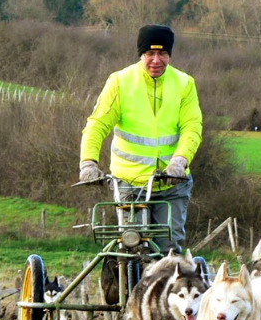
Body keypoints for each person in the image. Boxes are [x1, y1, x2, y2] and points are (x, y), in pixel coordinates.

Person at [79, 24, 202, 254]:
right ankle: (124, 285)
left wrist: (179, 162)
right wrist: (88, 162)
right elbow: (97, 124)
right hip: (130, 183)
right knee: (130, 244)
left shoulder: (185, 84)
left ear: (169, 55)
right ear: (141, 54)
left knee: (168, 249)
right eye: (150, 54)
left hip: (171, 184)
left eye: (163, 53)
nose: (156, 60)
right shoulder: (120, 82)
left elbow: (192, 128)